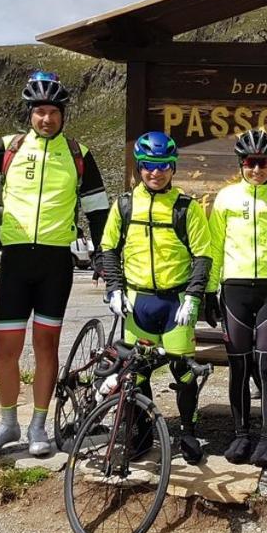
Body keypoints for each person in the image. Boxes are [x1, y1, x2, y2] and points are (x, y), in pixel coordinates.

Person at [0, 71, 110, 458]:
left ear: (63, 114)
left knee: (46, 345)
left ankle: (38, 426)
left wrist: (103, 255)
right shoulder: (9, 147)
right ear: (30, 113)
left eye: (53, 112)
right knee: (6, 348)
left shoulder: (78, 154)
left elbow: (97, 210)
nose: (46, 118)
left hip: (55, 263)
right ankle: (8, 424)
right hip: (15, 261)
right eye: (40, 111)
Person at [100, 132, 212, 464]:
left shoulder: (186, 208)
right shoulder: (124, 205)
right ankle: (142, 433)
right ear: (139, 167)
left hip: (176, 302)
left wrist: (193, 297)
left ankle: (188, 432)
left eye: (163, 165)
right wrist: (114, 288)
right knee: (136, 374)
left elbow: (203, 256)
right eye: (149, 165)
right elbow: (109, 248)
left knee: (184, 371)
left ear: (173, 167)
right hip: (139, 303)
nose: (156, 172)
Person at [205, 129, 267, 468]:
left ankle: (266, 437)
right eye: (250, 163)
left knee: (266, 364)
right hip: (234, 290)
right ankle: (240, 434)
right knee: (239, 365)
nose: (257, 169)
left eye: (263, 163)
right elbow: (215, 246)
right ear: (241, 164)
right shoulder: (226, 198)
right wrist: (209, 290)